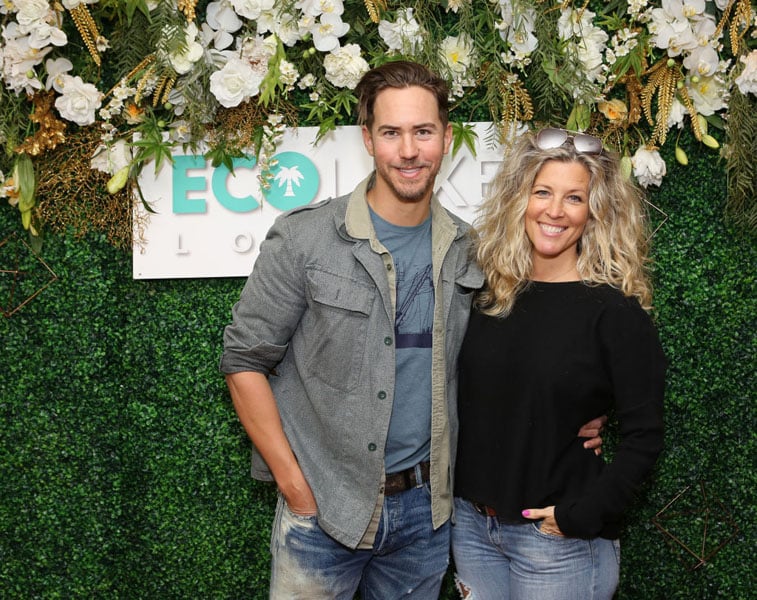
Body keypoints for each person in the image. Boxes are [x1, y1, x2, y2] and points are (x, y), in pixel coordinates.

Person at [220, 61, 604, 599]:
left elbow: (523, 350)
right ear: (367, 139)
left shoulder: (474, 251)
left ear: (445, 138)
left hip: (426, 518)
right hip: (324, 510)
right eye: (391, 133)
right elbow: (243, 360)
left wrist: (585, 407)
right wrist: (294, 486)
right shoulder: (306, 239)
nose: (408, 151)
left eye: (423, 131)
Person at [451, 128, 667, 600]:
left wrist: (580, 516)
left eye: (574, 198)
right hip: (472, 530)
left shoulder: (615, 313)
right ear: (519, 199)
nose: (555, 210)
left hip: (556, 544)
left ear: (595, 212)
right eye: (542, 192)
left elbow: (645, 436)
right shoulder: (486, 295)